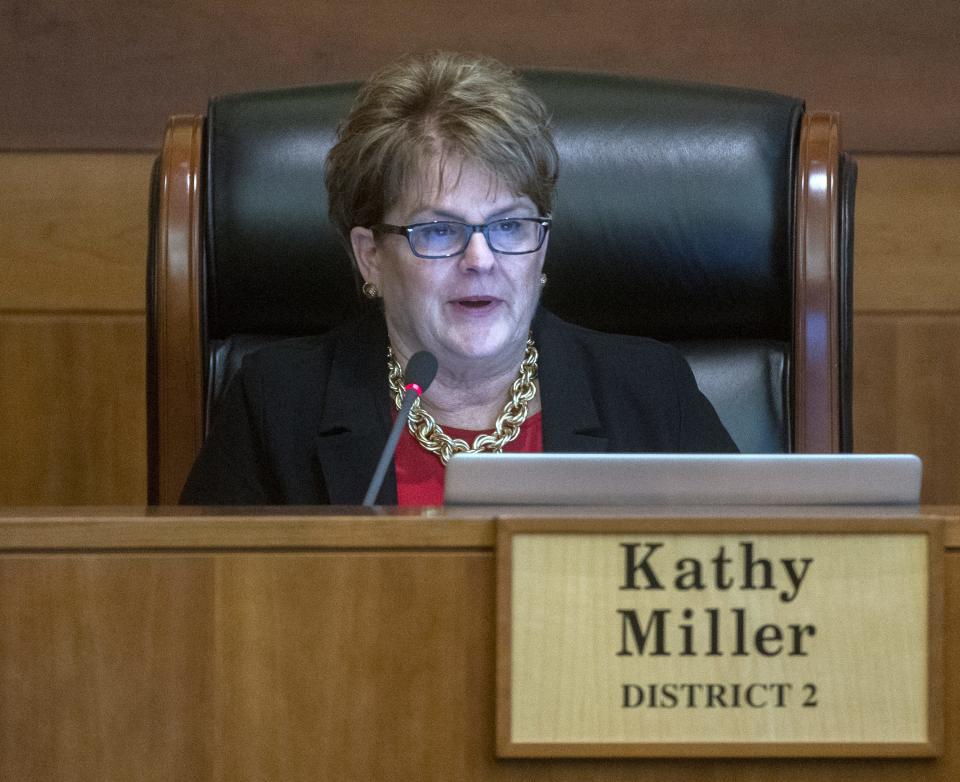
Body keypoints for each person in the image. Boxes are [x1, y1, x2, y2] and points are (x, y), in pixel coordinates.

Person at [180, 51, 736, 506]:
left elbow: (747, 588)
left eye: (510, 225)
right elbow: (212, 612)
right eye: (440, 231)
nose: (480, 259)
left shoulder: (652, 394)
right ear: (370, 255)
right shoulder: (277, 406)